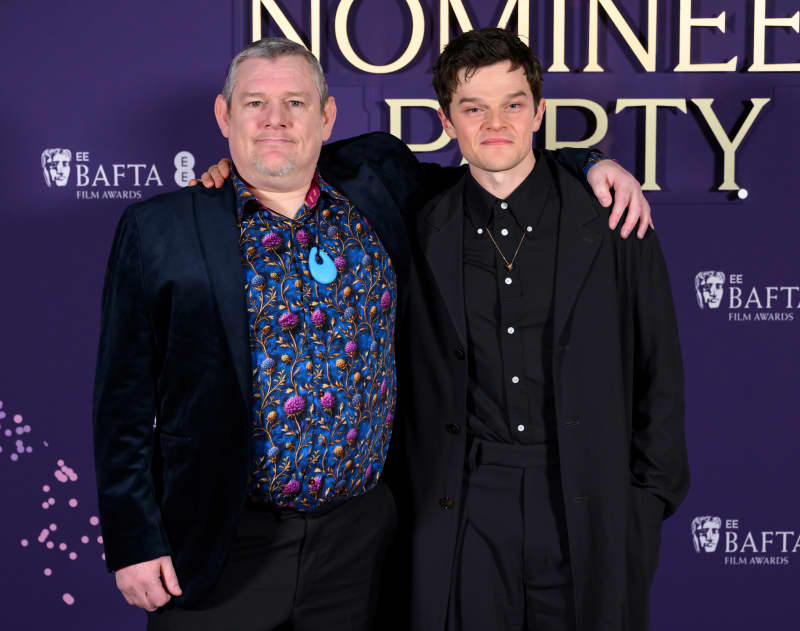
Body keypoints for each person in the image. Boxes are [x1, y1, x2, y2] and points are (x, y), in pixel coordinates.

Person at [94, 37, 652, 631]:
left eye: (296, 103)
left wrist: (586, 162)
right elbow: (122, 402)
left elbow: (495, 167)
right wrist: (133, 540)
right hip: (225, 540)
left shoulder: (377, 182)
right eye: (255, 103)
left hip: (359, 547)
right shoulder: (161, 231)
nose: (276, 119)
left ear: (327, 116)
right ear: (224, 115)